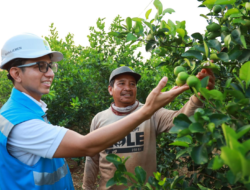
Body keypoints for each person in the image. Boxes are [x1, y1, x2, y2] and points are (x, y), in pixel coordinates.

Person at [0, 33, 192, 190]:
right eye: (41, 66)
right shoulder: (21, 123)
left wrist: (197, 97)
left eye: (50, 66)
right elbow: (87, 148)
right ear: (16, 74)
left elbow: (180, 121)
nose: (50, 73)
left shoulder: (30, 113)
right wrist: (148, 109)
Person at [82, 66, 215, 190]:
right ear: (110, 89)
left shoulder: (151, 113)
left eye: (132, 84)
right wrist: (86, 187)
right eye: (121, 83)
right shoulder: (99, 119)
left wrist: (200, 95)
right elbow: (91, 159)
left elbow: (181, 120)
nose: (128, 88)